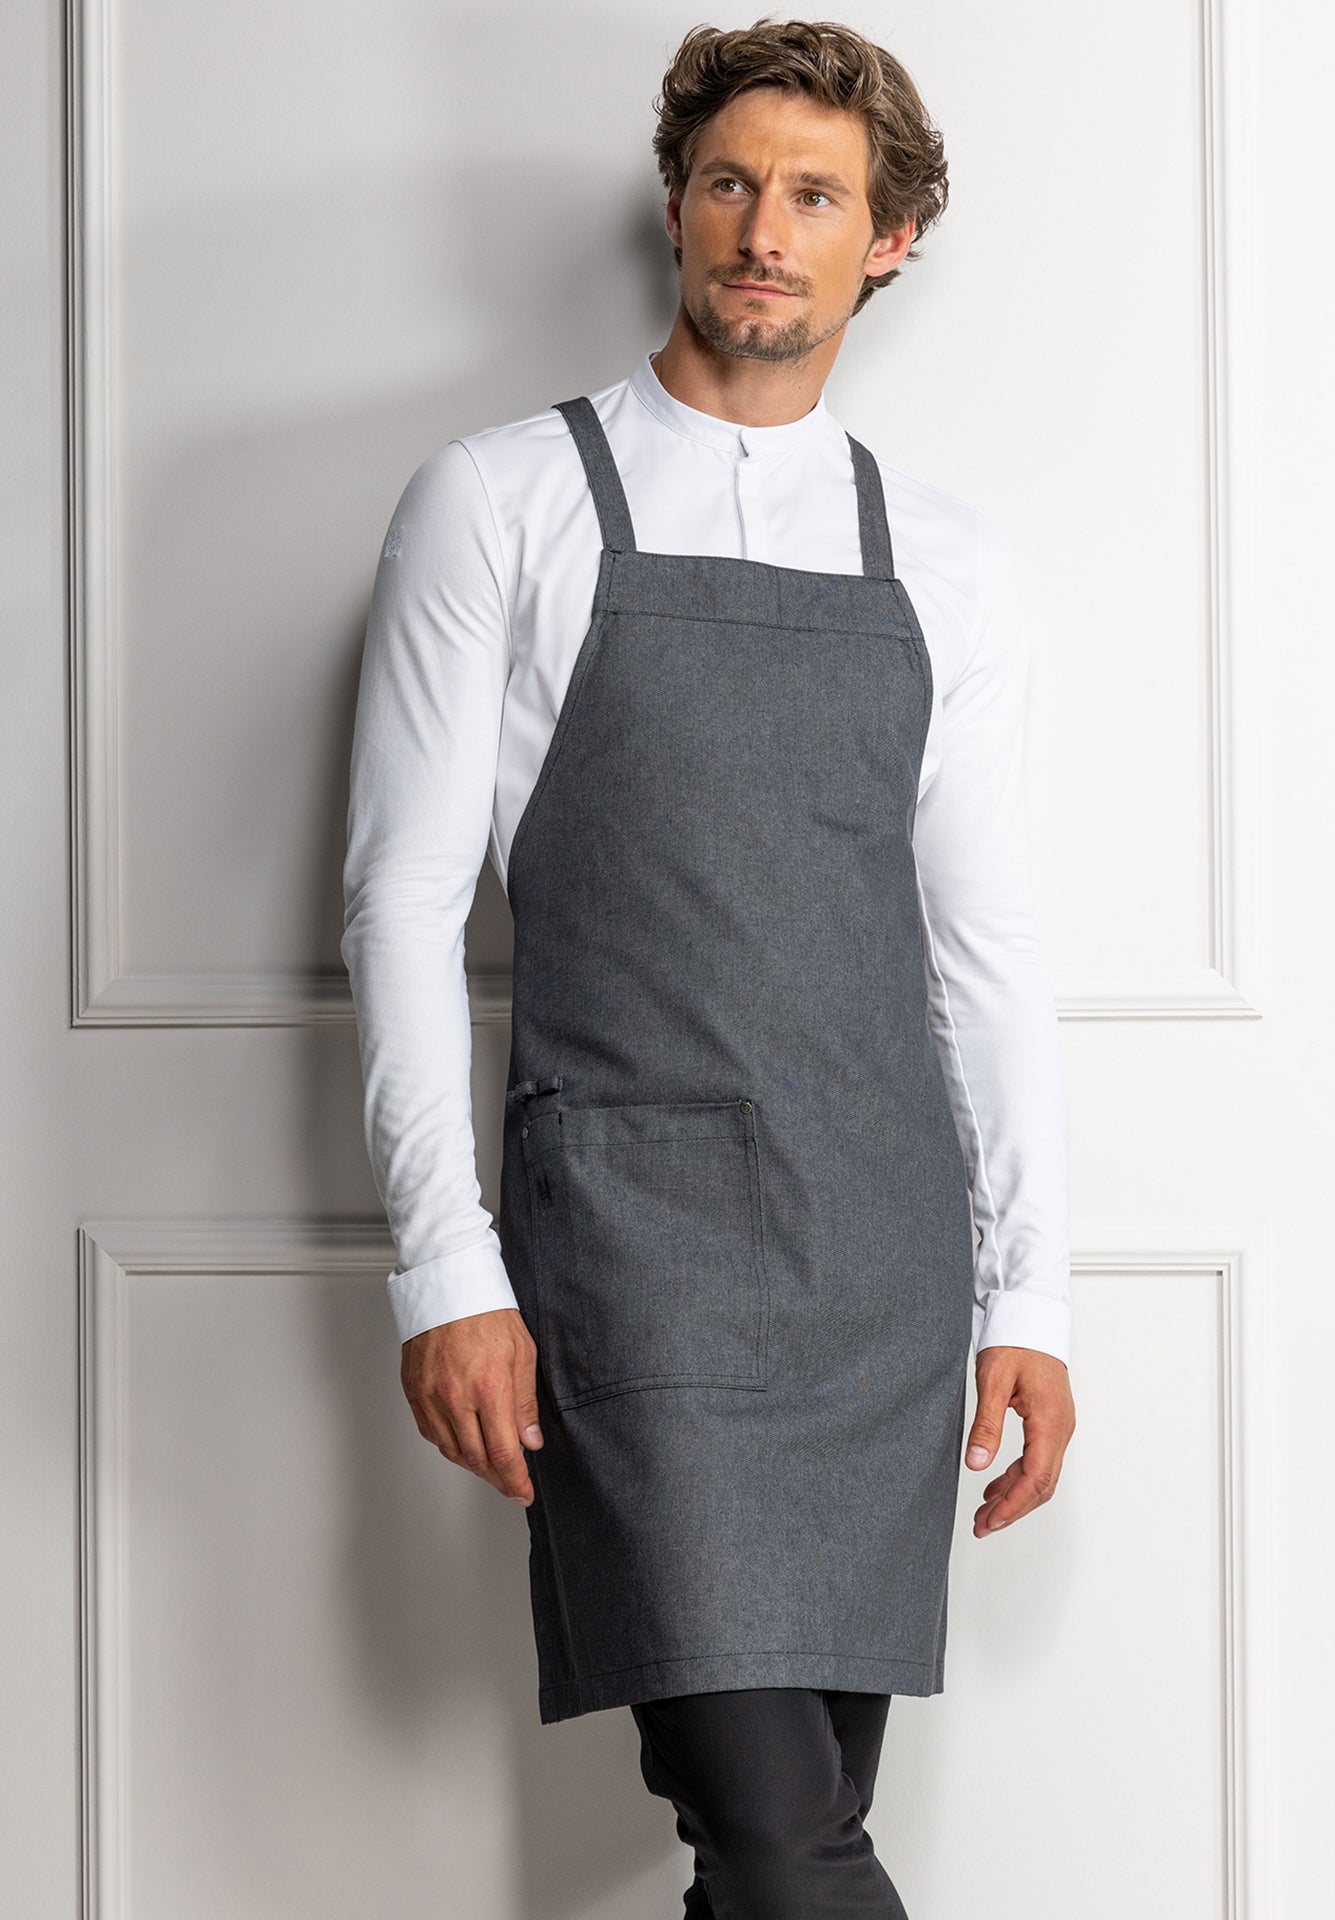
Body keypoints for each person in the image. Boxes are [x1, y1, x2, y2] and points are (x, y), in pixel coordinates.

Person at [341, 17, 1076, 1917]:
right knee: (772, 1828)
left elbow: (981, 948)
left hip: (878, 1261)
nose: (764, 229)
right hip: (632, 1249)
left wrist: (1032, 1293)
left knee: (773, 1843)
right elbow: (402, 903)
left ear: (885, 241)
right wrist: (446, 1267)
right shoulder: (497, 499)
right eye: (731, 183)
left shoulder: (944, 560)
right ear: (675, 208)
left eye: (815, 196)